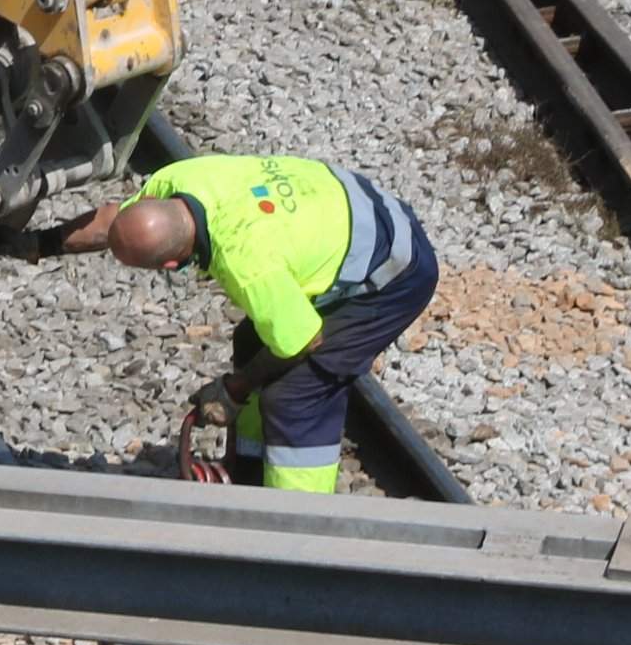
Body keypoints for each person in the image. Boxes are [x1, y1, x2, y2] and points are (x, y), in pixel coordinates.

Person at [39, 154, 435, 491]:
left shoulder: (245, 262)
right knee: (254, 341)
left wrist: (233, 390)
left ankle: (299, 531)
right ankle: (250, 474)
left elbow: (302, 341)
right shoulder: (177, 181)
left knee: (298, 394)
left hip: (396, 272)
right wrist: (26, 245)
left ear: (173, 265)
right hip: (354, 208)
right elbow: (112, 221)